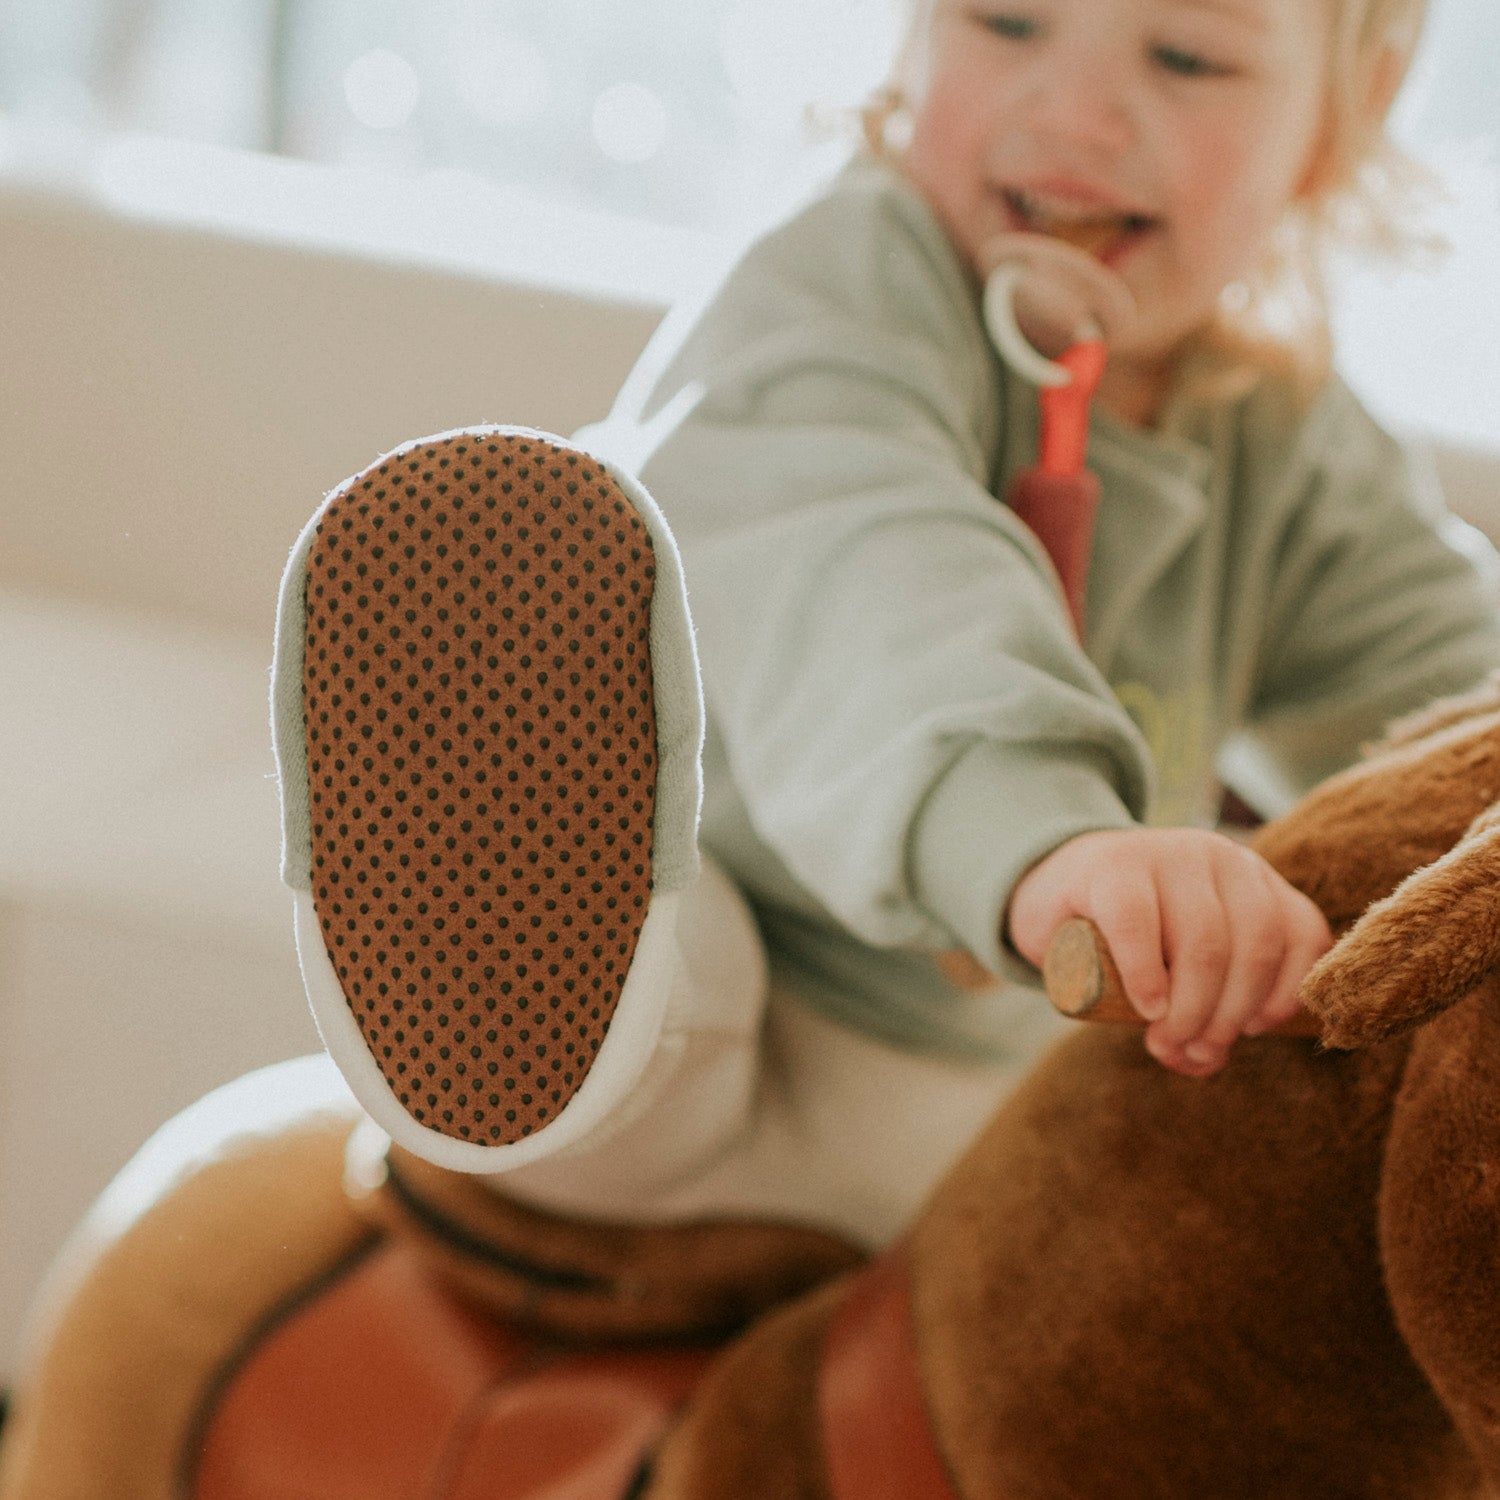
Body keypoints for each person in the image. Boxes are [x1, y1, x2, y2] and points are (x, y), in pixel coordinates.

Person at [272, 0, 1500, 1250]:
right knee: (677, 990)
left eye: (1188, 57)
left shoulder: (1286, 434)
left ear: (1349, 112)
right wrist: (1043, 835)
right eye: (1004, 21)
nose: (1074, 114)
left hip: (993, 1094)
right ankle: (513, 955)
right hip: (741, 1005)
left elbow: (1444, 702)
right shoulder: (834, 294)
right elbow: (864, 558)